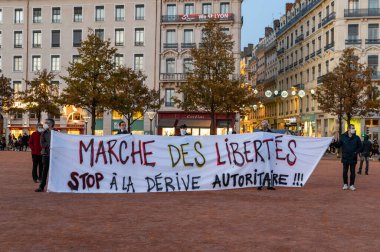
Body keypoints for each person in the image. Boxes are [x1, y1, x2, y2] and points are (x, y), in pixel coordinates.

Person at [334, 124, 362, 191]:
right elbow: (338, 145)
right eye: (352, 128)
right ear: (348, 129)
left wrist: (356, 152)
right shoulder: (343, 136)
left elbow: (360, 147)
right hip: (345, 157)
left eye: (354, 128)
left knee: (352, 172)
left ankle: (352, 185)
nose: (354, 129)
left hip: (353, 158)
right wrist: (334, 142)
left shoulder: (357, 137)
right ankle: (345, 184)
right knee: (344, 172)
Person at [35, 118, 55, 192]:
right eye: (45, 122)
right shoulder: (44, 133)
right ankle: (41, 186)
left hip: (55, 155)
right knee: (44, 171)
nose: (45, 124)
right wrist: (49, 145)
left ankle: (55, 186)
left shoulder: (56, 132)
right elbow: (42, 143)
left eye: (47, 123)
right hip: (46, 154)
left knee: (55, 171)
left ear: (51, 124)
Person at [257, 120, 275, 191]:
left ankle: (269, 185)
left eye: (265, 125)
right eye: (263, 125)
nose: (264, 126)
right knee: (261, 170)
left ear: (267, 125)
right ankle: (259, 185)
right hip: (261, 154)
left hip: (269, 154)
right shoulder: (259, 133)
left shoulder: (271, 133)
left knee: (269, 170)